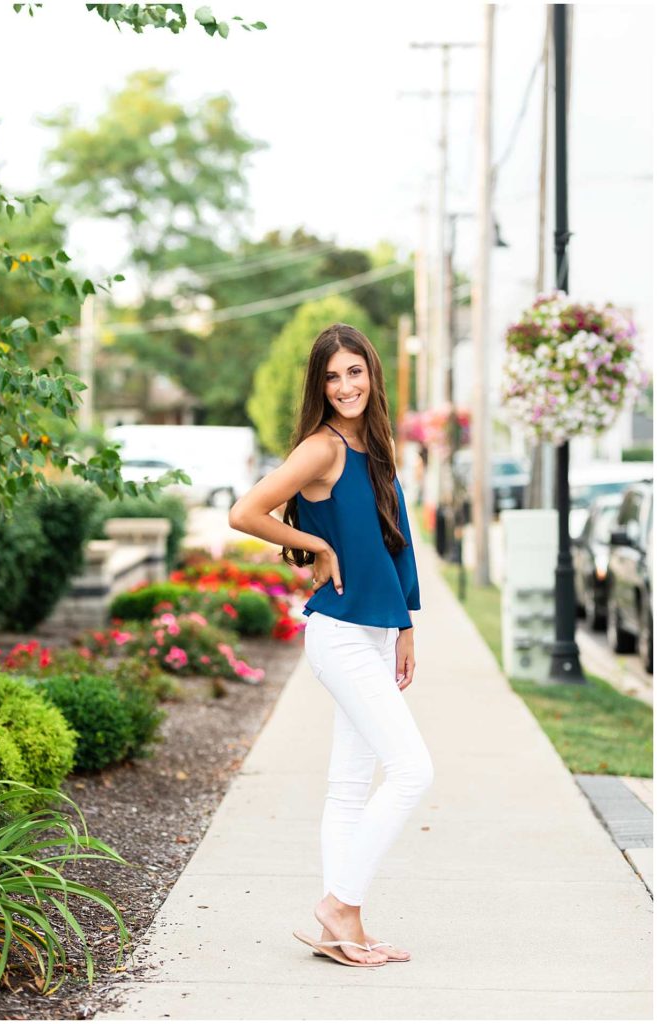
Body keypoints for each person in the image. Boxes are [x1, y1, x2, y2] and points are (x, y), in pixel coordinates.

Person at [228, 323, 434, 968]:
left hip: (373, 631)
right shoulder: (322, 449)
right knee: (411, 770)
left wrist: (403, 624)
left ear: (372, 374)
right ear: (320, 386)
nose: (345, 385)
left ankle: (340, 931)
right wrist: (316, 547)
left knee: (349, 784)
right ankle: (340, 904)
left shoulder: (373, 446)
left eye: (354, 372)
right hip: (340, 634)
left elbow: (392, 541)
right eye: (332, 376)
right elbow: (245, 512)